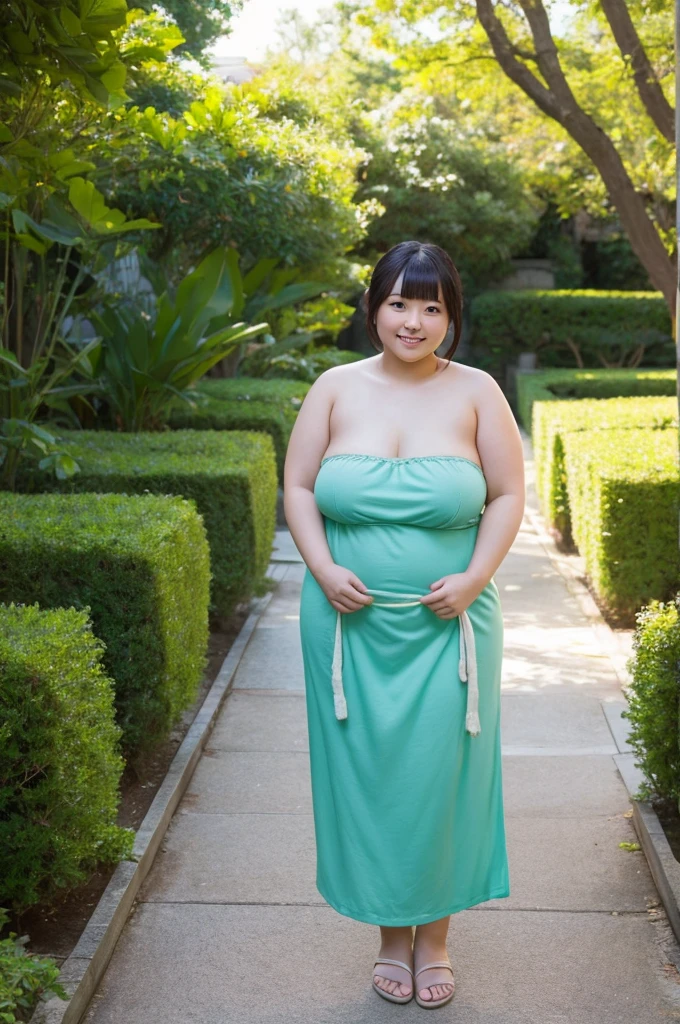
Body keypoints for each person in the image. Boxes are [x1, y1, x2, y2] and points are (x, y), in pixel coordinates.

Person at [283, 240, 525, 1009]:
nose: (412, 321)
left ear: (451, 317)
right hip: (346, 630)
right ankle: (391, 936)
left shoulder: (479, 392)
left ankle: (438, 937)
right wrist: (321, 568)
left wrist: (475, 576)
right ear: (374, 308)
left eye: (431, 307)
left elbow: (507, 497)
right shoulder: (332, 388)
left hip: (450, 629)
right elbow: (295, 485)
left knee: (441, 780)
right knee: (367, 779)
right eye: (398, 302)